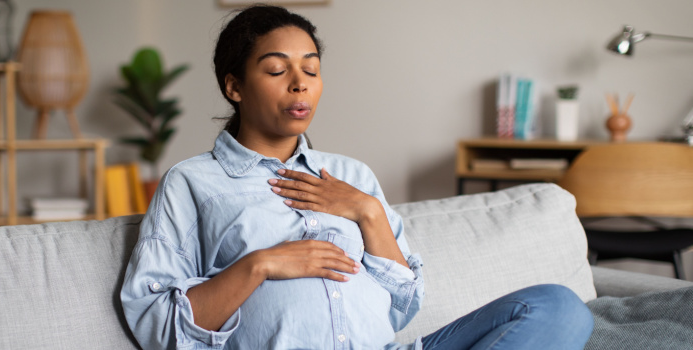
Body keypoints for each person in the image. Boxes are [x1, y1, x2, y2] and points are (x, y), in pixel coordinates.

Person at [120, 5, 594, 349]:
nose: (300, 82)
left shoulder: (351, 175)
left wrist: (367, 212)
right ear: (235, 86)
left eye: (311, 68)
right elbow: (155, 323)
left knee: (557, 306)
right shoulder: (193, 182)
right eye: (276, 69)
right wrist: (259, 265)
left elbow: (401, 304)